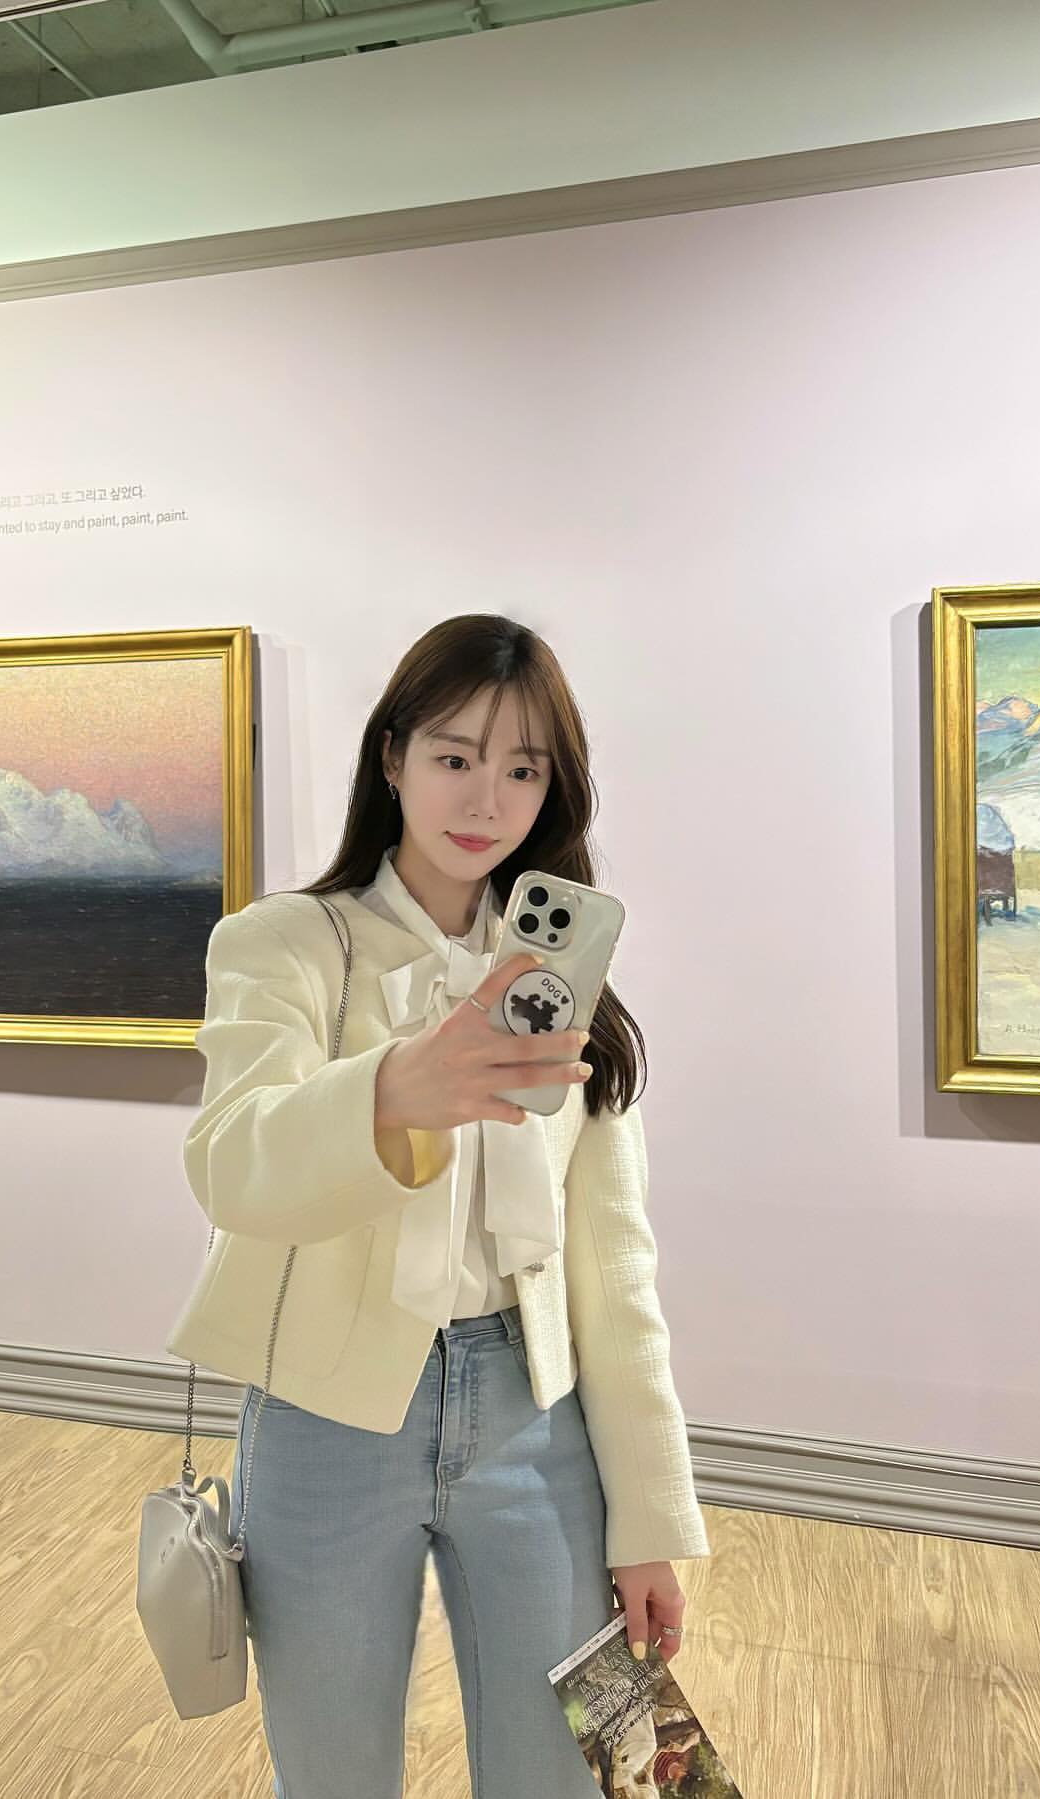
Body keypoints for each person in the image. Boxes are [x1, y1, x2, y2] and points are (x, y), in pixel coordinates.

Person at [166, 613, 710, 1799]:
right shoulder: (284, 943)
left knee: (575, 1767)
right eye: (456, 755)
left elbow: (615, 1267)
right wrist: (394, 1089)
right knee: (332, 1769)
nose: (485, 797)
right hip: (323, 1409)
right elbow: (231, 1165)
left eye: (524, 768)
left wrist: (651, 1518)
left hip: (535, 1409)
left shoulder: (567, 979)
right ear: (392, 756)